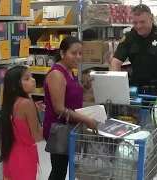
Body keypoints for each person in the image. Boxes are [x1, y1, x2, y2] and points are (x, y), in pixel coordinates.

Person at [43, 36, 98, 180]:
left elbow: (71, 96)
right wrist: (86, 119)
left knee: (61, 168)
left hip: (69, 127)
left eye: (80, 53)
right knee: (58, 170)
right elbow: (59, 109)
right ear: (62, 53)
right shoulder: (57, 74)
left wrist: (85, 87)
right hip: (58, 129)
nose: (78, 57)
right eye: (73, 53)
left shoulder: (69, 71)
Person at [110, 4, 157, 102]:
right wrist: (114, 86)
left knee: (153, 117)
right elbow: (115, 62)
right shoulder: (129, 37)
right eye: (135, 22)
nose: (138, 26)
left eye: (142, 22)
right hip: (135, 91)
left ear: (151, 19)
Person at [0, 65, 45, 180]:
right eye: (27, 78)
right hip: (25, 155)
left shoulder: (10, 102)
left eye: (32, 76)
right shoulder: (27, 104)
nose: (33, 80)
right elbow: (38, 136)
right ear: (15, 85)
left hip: (10, 153)